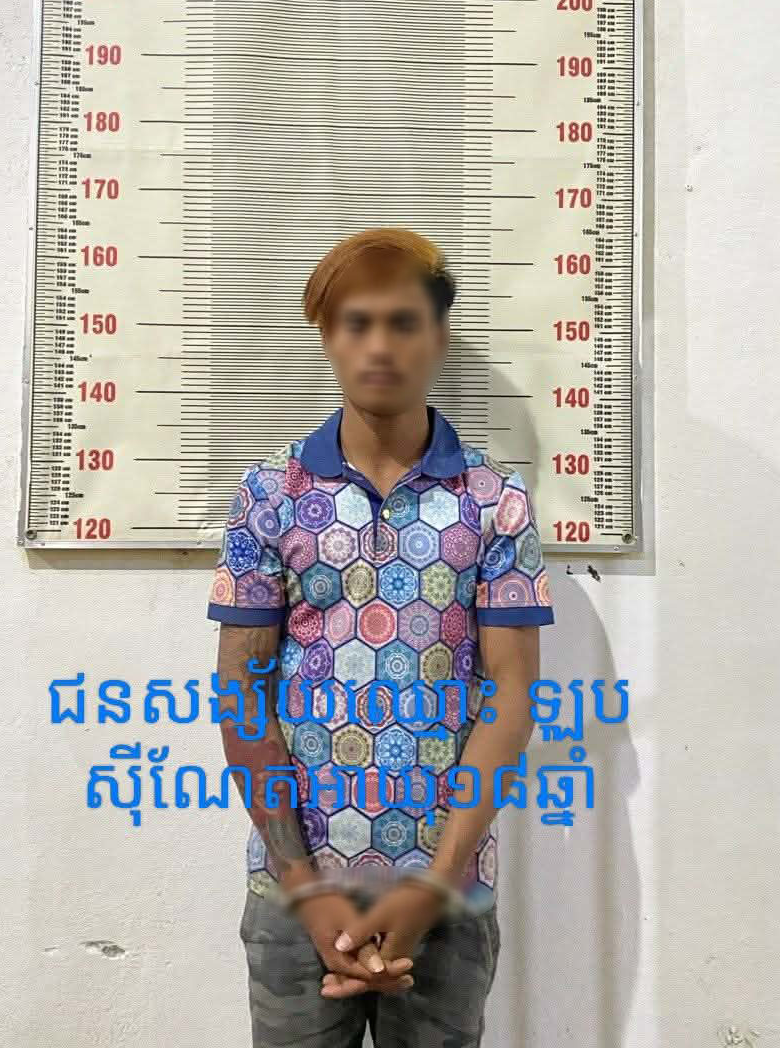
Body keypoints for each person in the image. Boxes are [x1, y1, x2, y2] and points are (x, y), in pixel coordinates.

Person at [209, 227, 555, 1047]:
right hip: (294, 894)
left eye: (402, 322)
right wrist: (305, 886)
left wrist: (435, 884)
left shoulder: (495, 503)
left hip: (449, 895)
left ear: (438, 336)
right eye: (355, 323)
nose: (378, 345)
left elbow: (512, 697)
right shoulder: (270, 496)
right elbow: (239, 693)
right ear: (327, 337)